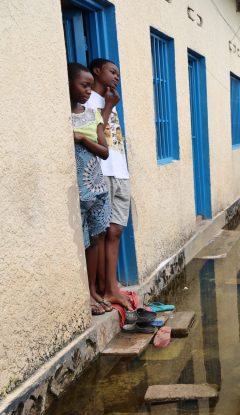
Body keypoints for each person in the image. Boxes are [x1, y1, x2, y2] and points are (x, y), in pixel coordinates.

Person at [86, 58, 132, 309]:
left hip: (120, 172)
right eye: (112, 71)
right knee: (101, 232)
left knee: (116, 231)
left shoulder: (110, 102)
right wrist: (108, 106)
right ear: (97, 71)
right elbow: (95, 133)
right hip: (102, 172)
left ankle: (112, 287)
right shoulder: (88, 100)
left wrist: (111, 105)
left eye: (118, 73)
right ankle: (104, 289)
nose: (117, 76)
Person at [68, 62, 112, 315]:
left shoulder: (93, 115)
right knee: (83, 241)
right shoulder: (60, 116)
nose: (88, 90)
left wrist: (83, 138)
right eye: (83, 85)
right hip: (78, 194)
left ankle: (94, 290)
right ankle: (86, 293)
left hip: (97, 189)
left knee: (96, 239)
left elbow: (105, 152)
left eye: (89, 85)